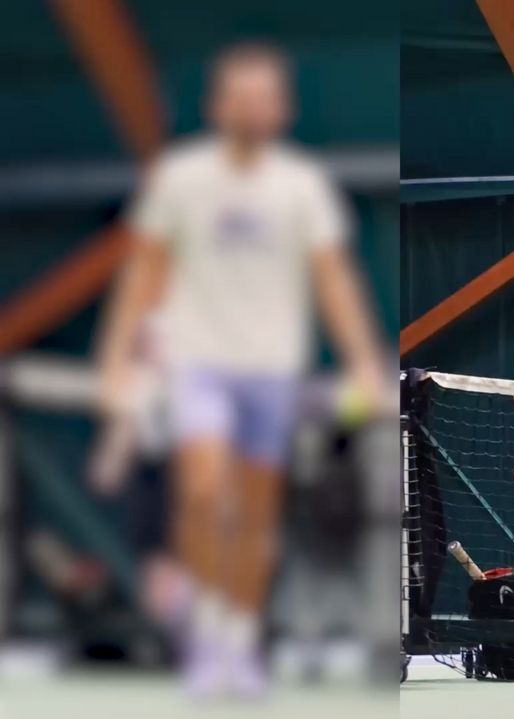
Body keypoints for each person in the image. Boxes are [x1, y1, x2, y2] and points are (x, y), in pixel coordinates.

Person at [97, 41, 382, 700]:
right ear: (218, 105)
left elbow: (333, 280)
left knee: (255, 514)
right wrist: (115, 361)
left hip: (272, 371)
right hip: (197, 365)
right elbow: (143, 273)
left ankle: (238, 637)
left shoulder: (301, 185)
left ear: (281, 109)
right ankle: (206, 632)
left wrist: (364, 360)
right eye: (241, 96)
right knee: (201, 492)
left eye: (265, 97)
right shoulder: (179, 177)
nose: (253, 108)